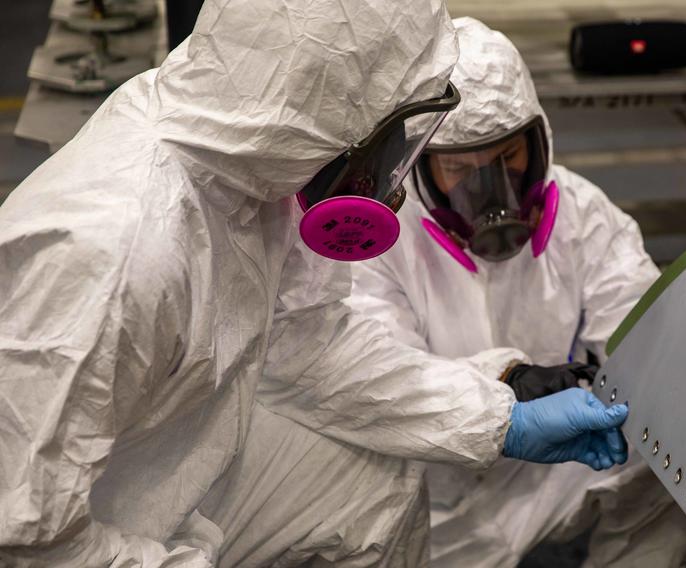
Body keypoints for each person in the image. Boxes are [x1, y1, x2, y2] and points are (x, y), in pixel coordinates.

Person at [0, 2, 629, 567]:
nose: (395, 169)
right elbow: (27, 536)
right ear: (330, 111)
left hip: (160, 461)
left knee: (373, 488)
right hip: (77, 524)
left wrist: (498, 416)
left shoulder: (246, 155)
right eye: (396, 131)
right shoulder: (114, 252)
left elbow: (306, 346)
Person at [349, 18, 686, 568]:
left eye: (505, 159)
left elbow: (640, 330)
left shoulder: (584, 216)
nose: (487, 188)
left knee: (670, 465)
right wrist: (507, 380)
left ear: (537, 146)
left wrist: (618, 380)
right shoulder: (385, 236)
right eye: (459, 167)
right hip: (428, 488)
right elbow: (374, 373)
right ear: (421, 163)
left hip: (554, 465)